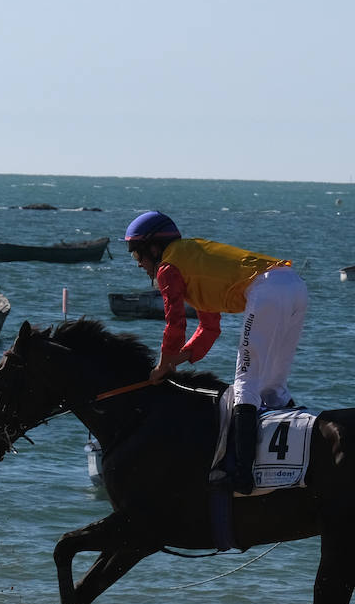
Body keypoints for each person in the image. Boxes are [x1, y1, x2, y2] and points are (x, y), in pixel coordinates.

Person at [125, 211, 308, 494]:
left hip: (268, 289)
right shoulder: (191, 259)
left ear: (154, 249)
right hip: (295, 285)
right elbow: (209, 328)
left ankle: (241, 477)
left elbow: (175, 322)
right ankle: (288, 464)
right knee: (273, 387)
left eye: (138, 256)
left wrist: (163, 365)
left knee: (246, 384)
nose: (139, 264)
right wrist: (179, 358)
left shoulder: (168, 268)